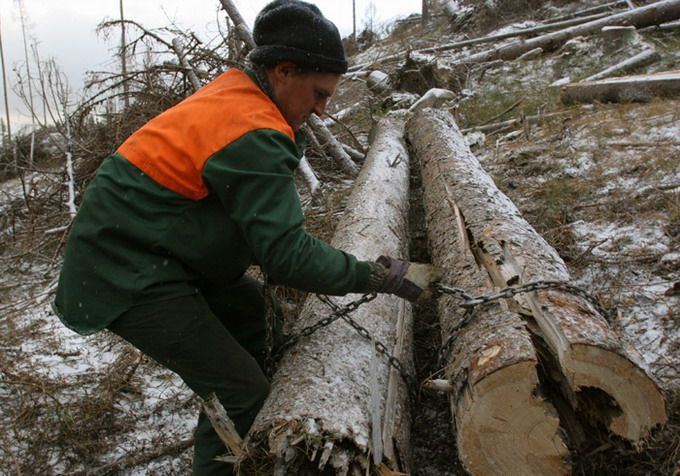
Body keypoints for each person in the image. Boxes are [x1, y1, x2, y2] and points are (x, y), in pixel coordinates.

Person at [52, 0, 441, 474]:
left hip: (158, 248)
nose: (321, 110)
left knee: (251, 312)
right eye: (318, 94)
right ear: (283, 71)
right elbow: (287, 257)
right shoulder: (252, 128)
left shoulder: (240, 94)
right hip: (124, 271)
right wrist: (379, 276)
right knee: (241, 392)